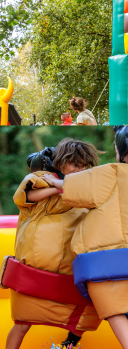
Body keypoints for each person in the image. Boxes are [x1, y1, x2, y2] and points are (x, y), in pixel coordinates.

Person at [40, 126, 128, 348]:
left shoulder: (112, 172)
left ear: (123, 147)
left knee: (111, 306)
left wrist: (49, 180)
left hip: (111, 261)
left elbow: (74, 186)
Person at [5, 140, 103, 349]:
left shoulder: (83, 188)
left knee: (86, 313)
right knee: (22, 322)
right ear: (61, 163)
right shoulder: (43, 178)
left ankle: (69, 343)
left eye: (84, 166)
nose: (81, 169)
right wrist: (59, 188)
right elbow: (27, 196)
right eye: (75, 165)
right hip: (36, 267)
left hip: (70, 267)